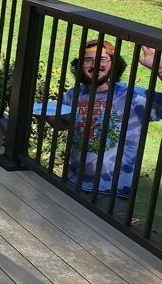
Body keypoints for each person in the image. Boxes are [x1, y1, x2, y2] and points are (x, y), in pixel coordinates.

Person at [61, 39, 161, 196]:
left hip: (114, 193)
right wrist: (43, 113)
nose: (95, 65)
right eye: (88, 60)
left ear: (114, 65)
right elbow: (63, 123)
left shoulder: (134, 97)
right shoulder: (73, 95)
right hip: (73, 184)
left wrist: (160, 68)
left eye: (102, 59)